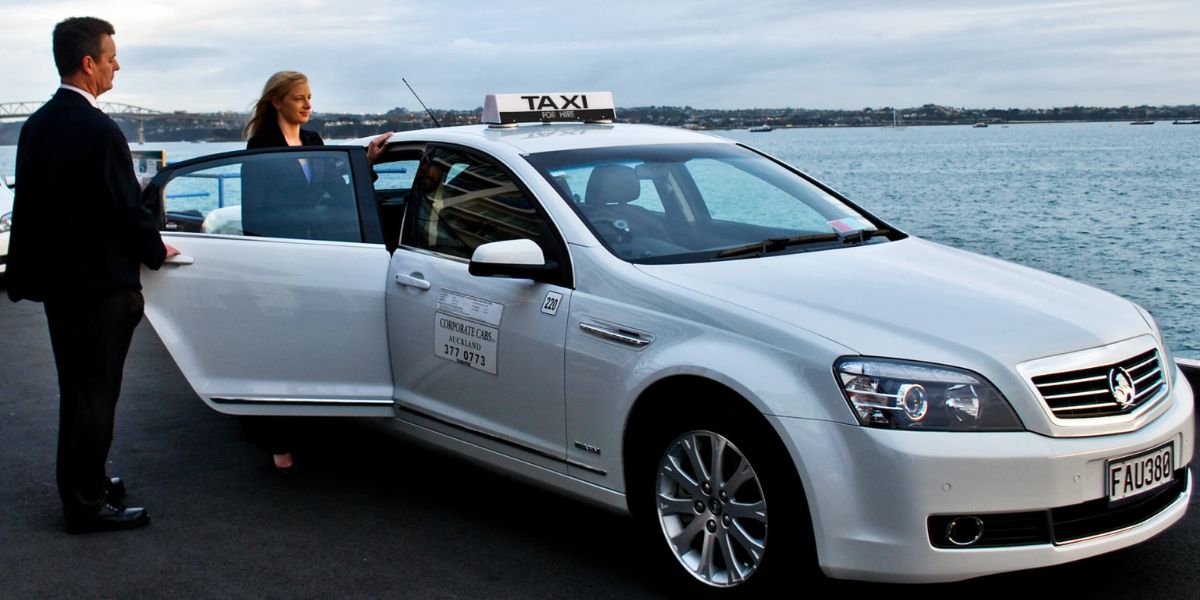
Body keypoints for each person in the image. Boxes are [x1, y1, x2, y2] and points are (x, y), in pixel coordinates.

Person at [6, 16, 179, 533]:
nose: (116, 66)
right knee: (96, 397)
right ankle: (85, 504)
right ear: (88, 64)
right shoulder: (100, 130)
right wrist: (156, 249)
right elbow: (124, 208)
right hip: (101, 288)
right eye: (111, 57)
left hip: (60, 287)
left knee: (77, 393)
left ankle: (88, 482)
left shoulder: (36, 125)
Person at [241, 70, 391, 473]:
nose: (308, 105)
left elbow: (338, 191)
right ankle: (277, 440)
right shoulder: (261, 146)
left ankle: (314, 431)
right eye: (299, 98)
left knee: (312, 346)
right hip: (281, 259)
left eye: (309, 97)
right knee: (280, 349)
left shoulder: (313, 141)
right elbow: (255, 211)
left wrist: (365, 162)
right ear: (277, 102)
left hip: (320, 257)